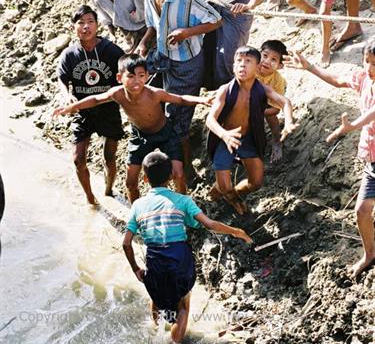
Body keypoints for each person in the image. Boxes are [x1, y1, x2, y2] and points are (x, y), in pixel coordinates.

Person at [123, 150, 252, 343]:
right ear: (172, 176)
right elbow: (209, 224)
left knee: (157, 293)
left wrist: (135, 269)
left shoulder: (138, 205)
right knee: (182, 306)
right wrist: (236, 231)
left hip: (155, 262)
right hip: (179, 259)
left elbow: (126, 244)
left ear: (145, 178)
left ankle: (155, 328)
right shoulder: (183, 201)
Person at [54, 54, 213, 202]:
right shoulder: (117, 94)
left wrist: (202, 100)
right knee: (130, 182)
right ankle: (138, 215)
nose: (136, 81)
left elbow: (181, 98)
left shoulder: (154, 93)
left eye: (141, 76)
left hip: (165, 133)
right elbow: (96, 99)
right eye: (130, 76)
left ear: (147, 76)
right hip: (140, 136)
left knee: (178, 174)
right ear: (119, 78)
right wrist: (72, 107)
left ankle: (182, 207)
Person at [285, 40, 375, 278]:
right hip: (373, 161)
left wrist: (354, 125)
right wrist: (309, 67)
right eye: (367, 62)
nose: (370, 68)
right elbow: (337, 80)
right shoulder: (364, 79)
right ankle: (369, 254)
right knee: (361, 211)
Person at [135, 0, 221, 175]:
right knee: (133, 80)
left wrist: (187, 32)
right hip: (163, 53)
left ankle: (185, 169)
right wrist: (144, 42)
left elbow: (216, 20)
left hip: (186, 63)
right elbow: (153, 24)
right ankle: (151, 140)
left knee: (177, 119)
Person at [206, 46, 297, 215]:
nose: (242, 65)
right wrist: (224, 135)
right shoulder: (225, 90)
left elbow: (284, 102)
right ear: (233, 66)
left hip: (248, 138)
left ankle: (232, 195)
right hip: (224, 137)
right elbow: (210, 119)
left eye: (248, 61)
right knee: (225, 185)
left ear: (257, 67)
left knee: (256, 182)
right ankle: (223, 196)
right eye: (238, 61)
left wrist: (289, 121)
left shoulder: (261, 89)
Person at [56, 5, 125, 205]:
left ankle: (108, 189)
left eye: (90, 22)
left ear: (97, 25)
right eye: (81, 23)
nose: (86, 27)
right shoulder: (70, 54)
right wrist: (66, 96)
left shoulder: (110, 50)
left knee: (110, 157)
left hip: (108, 109)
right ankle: (90, 199)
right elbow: (62, 78)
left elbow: (126, 72)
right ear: (73, 27)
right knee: (78, 159)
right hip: (83, 111)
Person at [257, 39, 288, 163]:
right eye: (264, 56)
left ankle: (277, 140)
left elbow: (275, 109)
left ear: (280, 66)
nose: (267, 61)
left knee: (271, 117)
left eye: (274, 59)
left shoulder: (277, 81)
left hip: (270, 97)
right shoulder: (250, 67)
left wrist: (258, 112)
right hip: (248, 97)